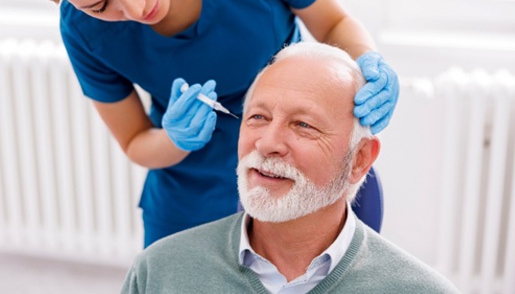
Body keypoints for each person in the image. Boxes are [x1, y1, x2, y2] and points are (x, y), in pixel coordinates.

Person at [10, 0, 400, 247]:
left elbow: (334, 23)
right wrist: (174, 139)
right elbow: (134, 141)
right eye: (100, 5)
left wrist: (369, 62)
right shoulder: (82, 30)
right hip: (189, 188)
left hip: (293, 166)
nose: (135, 7)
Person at [120, 42, 459, 294]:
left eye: (303, 125)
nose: (267, 143)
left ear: (359, 160)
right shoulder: (158, 274)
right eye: (257, 117)